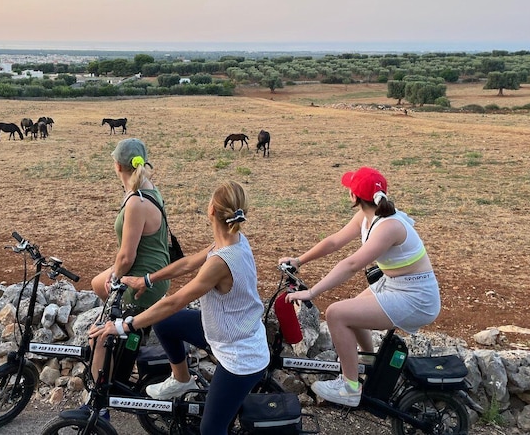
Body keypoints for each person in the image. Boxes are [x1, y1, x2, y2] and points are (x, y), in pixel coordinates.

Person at [90, 181, 269, 435]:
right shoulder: (231, 240)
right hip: (229, 330)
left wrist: (123, 325)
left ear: (211, 211)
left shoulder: (221, 261)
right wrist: (147, 279)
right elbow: (186, 264)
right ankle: (182, 380)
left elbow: (175, 301)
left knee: (211, 428)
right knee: (166, 324)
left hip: (240, 356)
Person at [284, 166, 440, 407]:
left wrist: (312, 292)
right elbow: (334, 241)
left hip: (415, 297)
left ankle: (350, 386)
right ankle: (368, 362)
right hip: (396, 285)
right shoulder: (368, 216)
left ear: (355, 197)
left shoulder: (389, 227)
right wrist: (299, 260)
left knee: (337, 313)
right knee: (352, 310)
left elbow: (352, 264)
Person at [88, 138, 171, 400]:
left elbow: (126, 257)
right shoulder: (149, 189)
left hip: (142, 281)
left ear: (117, 166)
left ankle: (99, 400)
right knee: (95, 283)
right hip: (155, 272)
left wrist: (115, 276)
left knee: (98, 338)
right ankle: (131, 329)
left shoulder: (135, 202)